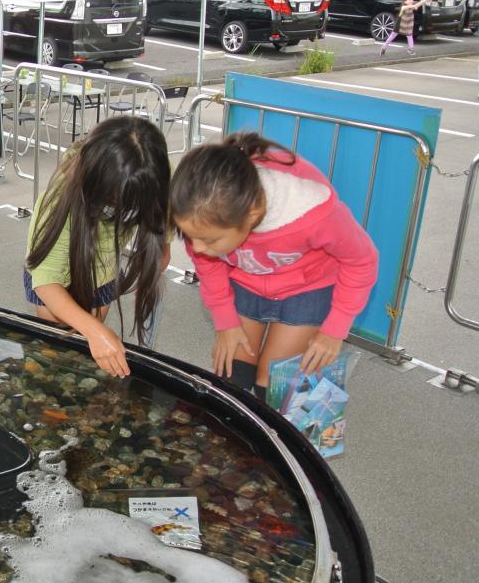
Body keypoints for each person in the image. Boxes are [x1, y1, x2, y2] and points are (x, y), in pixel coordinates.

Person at [169, 133, 379, 399]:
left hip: (307, 289)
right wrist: (225, 322)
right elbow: (209, 268)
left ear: (252, 215)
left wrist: (334, 330)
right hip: (247, 281)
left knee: (275, 385)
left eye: (209, 240)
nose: (197, 248)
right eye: (190, 238)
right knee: (231, 373)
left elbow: (362, 260)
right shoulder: (201, 218)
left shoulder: (312, 213)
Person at [23, 117, 171, 379]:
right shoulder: (62, 196)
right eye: (114, 203)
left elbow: (162, 229)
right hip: (53, 276)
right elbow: (46, 281)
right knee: (53, 351)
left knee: (85, 351)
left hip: (102, 271)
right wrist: (95, 331)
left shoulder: (149, 172)